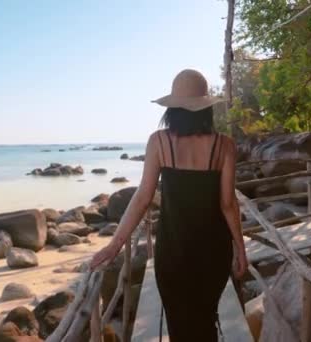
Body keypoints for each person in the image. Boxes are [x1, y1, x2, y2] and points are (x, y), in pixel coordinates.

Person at [91, 69, 248, 341]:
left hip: (173, 253)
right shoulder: (225, 146)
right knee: (205, 320)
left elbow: (142, 198)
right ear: (205, 108)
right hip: (214, 252)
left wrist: (114, 245)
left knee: (179, 325)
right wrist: (240, 250)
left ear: (172, 109)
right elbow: (228, 204)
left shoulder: (158, 142)